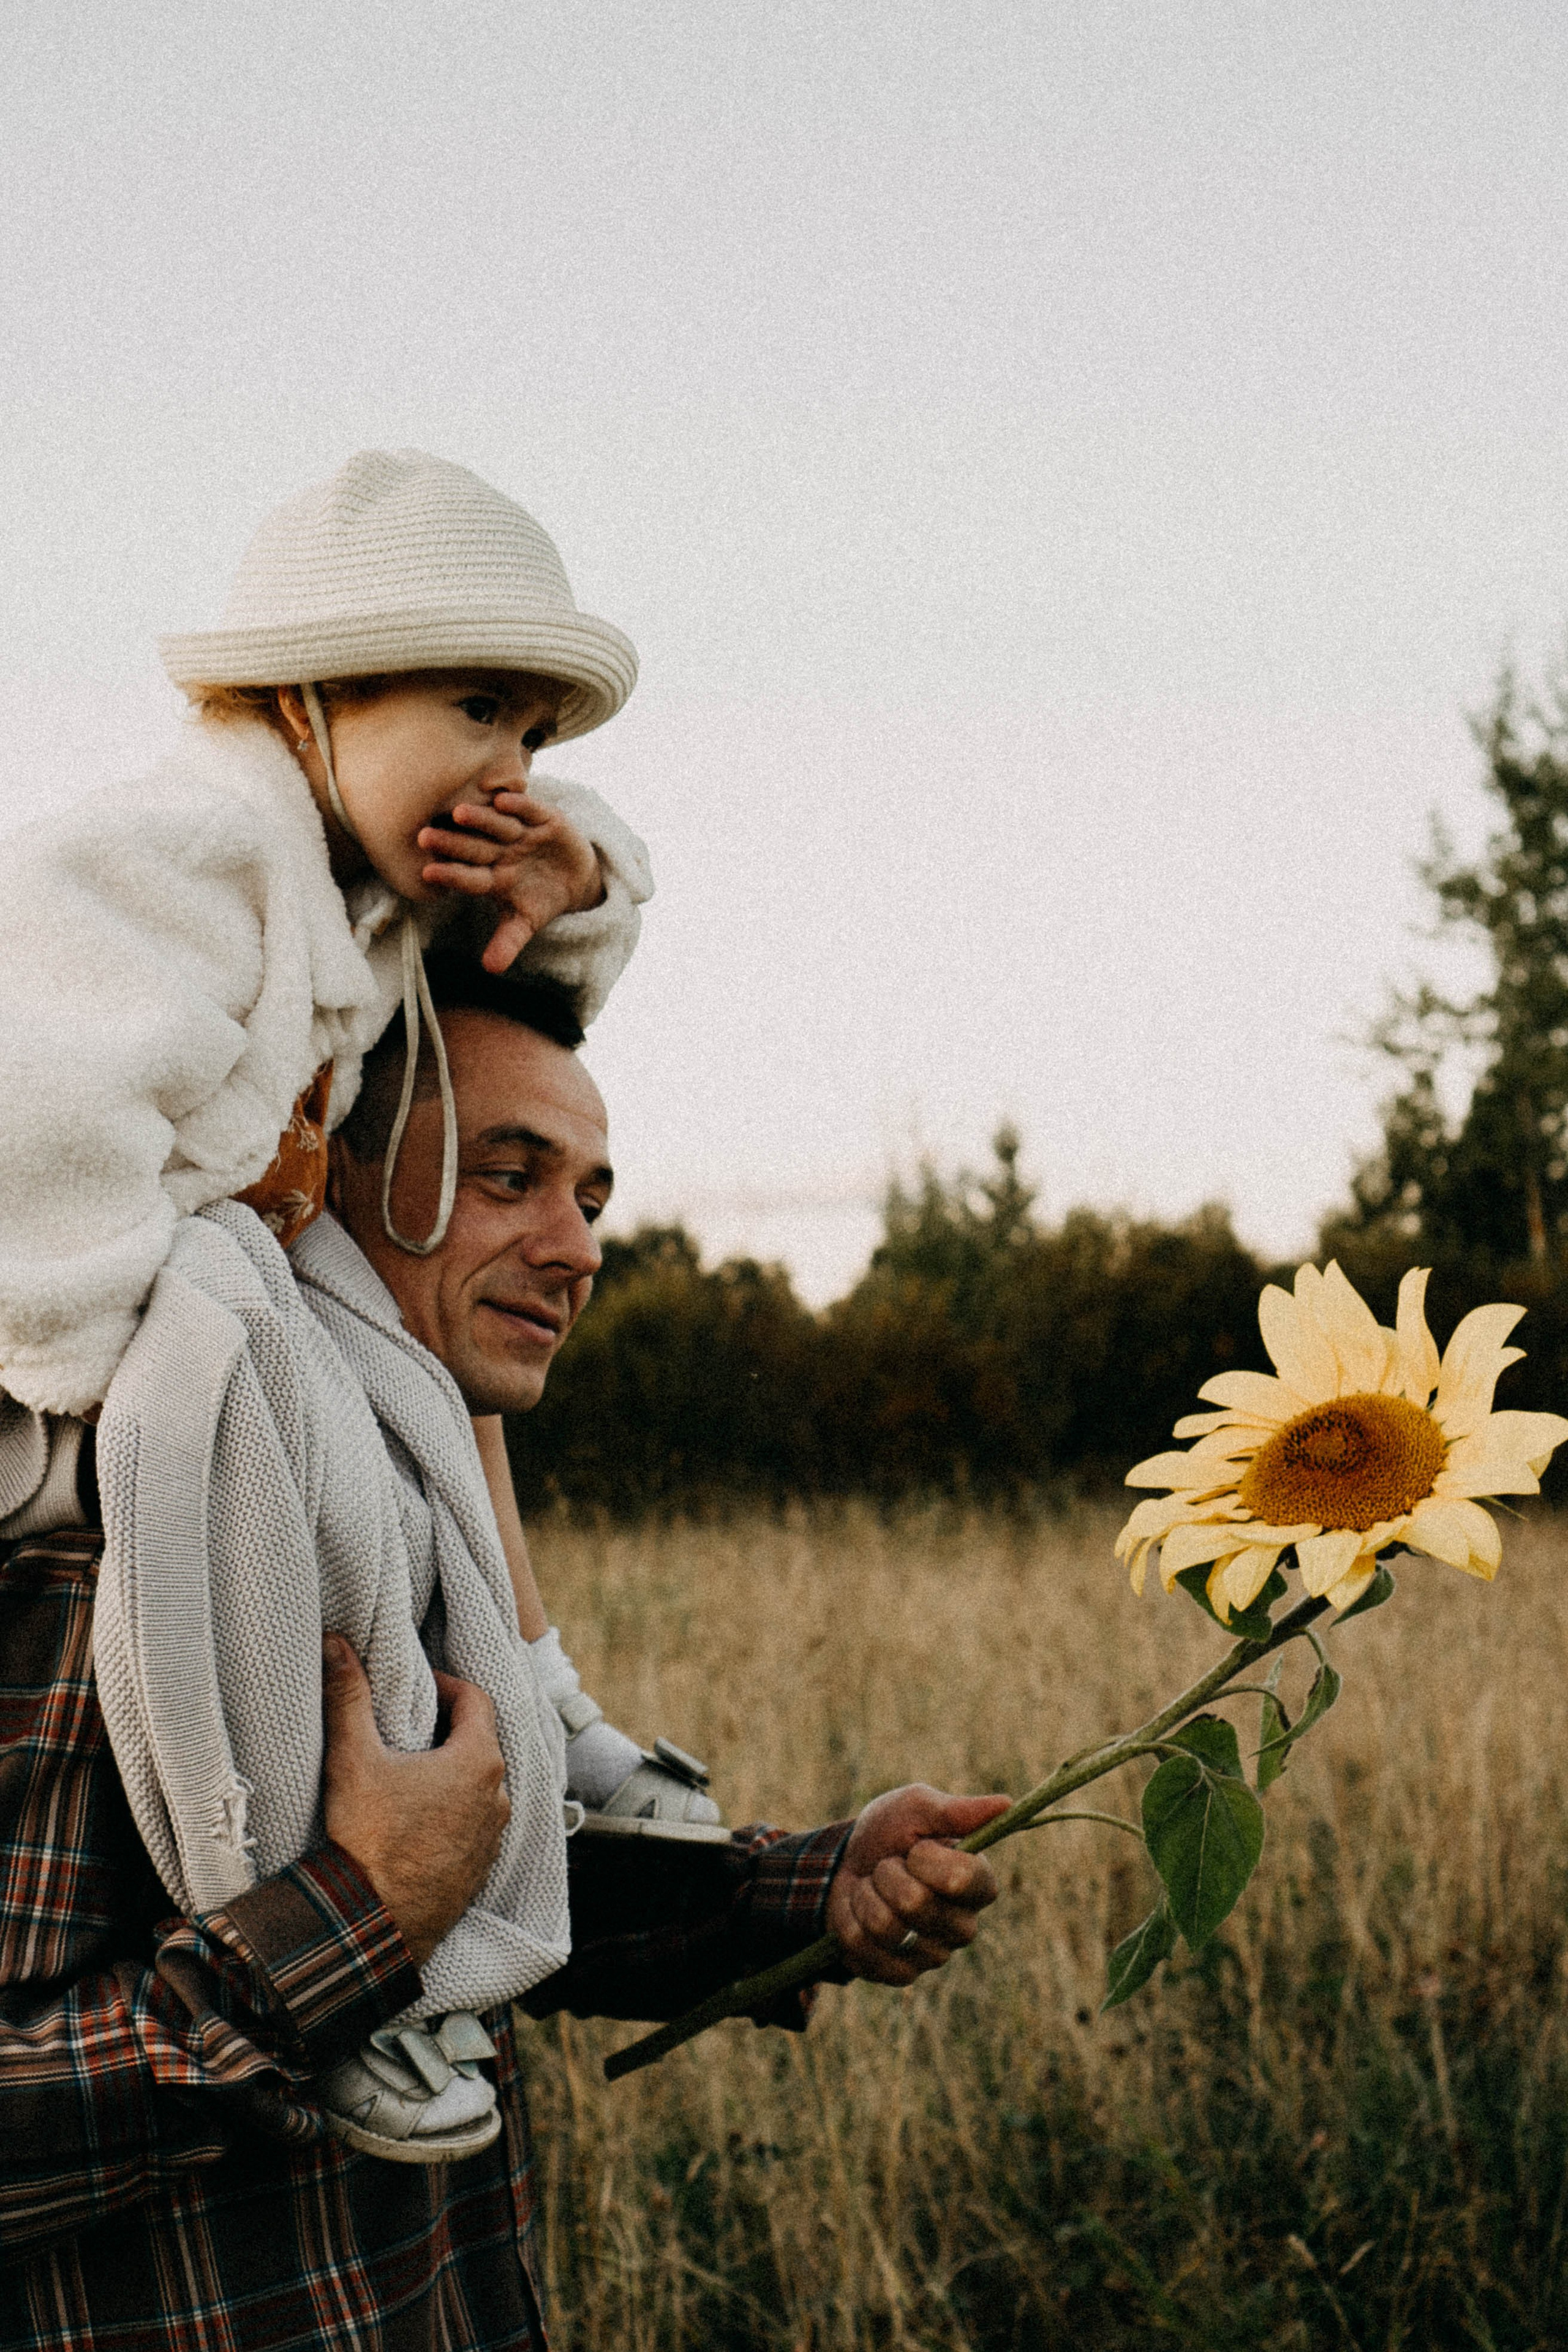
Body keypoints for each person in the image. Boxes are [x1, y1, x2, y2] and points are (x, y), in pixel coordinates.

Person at [0, 962, 1009, 2351]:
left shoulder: (397, 1523)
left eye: (589, 1197)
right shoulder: (108, 1545)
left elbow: (466, 1876)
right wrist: (356, 1916)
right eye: (508, 1177)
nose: (577, 1247)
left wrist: (795, 1890)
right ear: (323, 1183)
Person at [0, 446, 721, 1824]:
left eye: (534, 739)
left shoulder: (370, 887)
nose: (512, 774)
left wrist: (570, 879)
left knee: (402, 1351)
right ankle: (351, 1863)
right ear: (312, 695)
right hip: (45, 1393)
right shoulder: (182, 857)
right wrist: (126, 1409)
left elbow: (549, 971)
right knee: (321, 1426)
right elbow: (30, 1130)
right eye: (477, 710)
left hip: (206, 1347)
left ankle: (528, 1711)